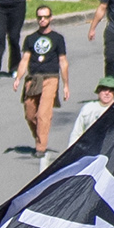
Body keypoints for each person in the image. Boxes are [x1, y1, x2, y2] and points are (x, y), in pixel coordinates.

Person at [16, 12, 70, 153]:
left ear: (50, 18)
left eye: (45, 17)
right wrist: (18, 78)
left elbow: (63, 62)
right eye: (40, 17)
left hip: (51, 78)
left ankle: (41, 147)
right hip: (33, 79)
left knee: (43, 114)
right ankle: (39, 136)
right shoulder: (30, 38)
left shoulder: (57, 38)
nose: (42, 19)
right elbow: (25, 60)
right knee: (30, 113)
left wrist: (65, 85)